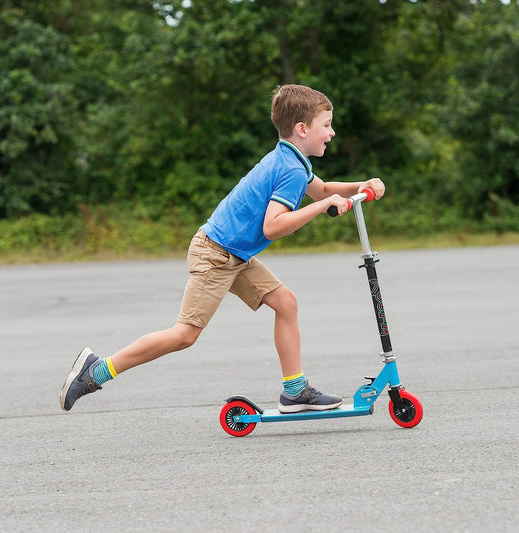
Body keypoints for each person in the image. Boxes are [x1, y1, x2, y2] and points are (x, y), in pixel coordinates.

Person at [60, 84, 385, 414]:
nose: (332, 132)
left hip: (235, 254)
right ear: (302, 129)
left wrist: (361, 186)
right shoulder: (288, 169)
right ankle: (95, 371)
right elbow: (273, 225)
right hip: (215, 254)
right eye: (326, 125)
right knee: (185, 335)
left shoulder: (293, 161)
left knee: (286, 303)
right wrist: (322, 207)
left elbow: (325, 190)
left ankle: (295, 391)